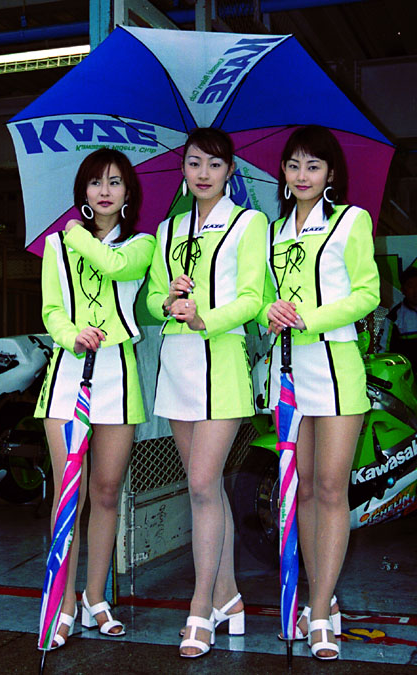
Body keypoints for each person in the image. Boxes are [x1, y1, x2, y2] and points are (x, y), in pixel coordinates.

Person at [257, 125, 380, 660]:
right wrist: (269, 313)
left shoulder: (352, 221)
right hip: (286, 371)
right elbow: (259, 301)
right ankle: (316, 597)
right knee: (301, 490)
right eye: (293, 165)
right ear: (282, 173)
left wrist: (309, 317)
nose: (302, 175)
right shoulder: (270, 232)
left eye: (313, 165)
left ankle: (323, 610)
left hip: (335, 364)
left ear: (331, 172)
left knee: (330, 487)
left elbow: (368, 292)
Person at [146, 127, 267, 658]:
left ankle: (200, 607)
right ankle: (229, 596)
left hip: (221, 361)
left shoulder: (249, 223)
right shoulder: (168, 229)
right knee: (206, 488)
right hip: (176, 363)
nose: (203, 173)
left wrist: (204, 318)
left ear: (230, 172)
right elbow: (151, 297)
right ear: (183, 168)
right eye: (194, 162)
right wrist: (168, 301)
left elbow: (252, 298)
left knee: (200, 483)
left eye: (214, 164)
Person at [35, 148, 155, 649]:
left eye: (115, 182)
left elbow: (117, 267)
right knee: (70, 496)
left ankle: (95, 596)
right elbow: (51, 310)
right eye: (95, 182)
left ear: (128, 193)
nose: (104, 191)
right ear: (82, 190)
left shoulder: (142, 244)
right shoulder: (55, 246)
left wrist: (78, 234)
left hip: (118, 378)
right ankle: (63, 602)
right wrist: (71, 335)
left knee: (107, 493)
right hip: (67, 376)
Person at [378, 266, 417, 373]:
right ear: (402, 290)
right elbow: (384, 352)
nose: (416, 290)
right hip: (408, 376)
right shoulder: (394, 317)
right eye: (411, 286)